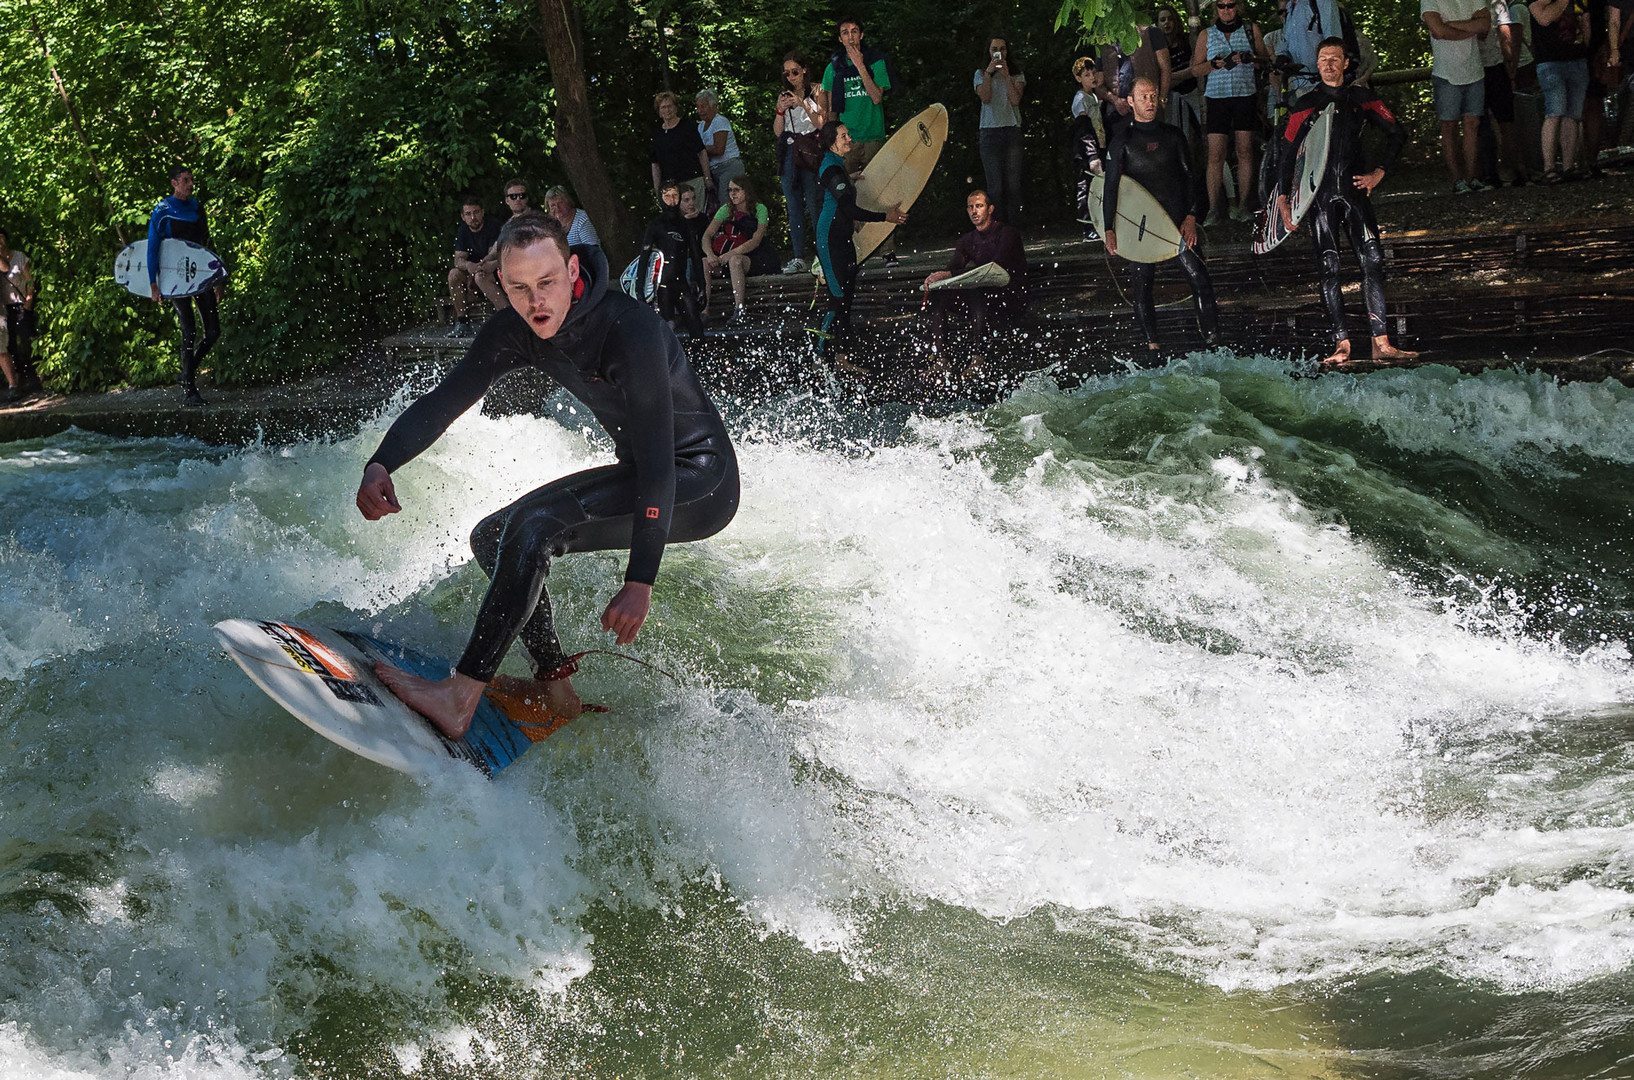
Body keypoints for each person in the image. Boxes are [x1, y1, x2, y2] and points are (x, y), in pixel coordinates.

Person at [355, 211, 739, 736]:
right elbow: (447, 399)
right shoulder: (516, 330)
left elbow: (656, 465)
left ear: (573, 269)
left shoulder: (631, 331)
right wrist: (382, 461)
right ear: (502, 284)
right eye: (518, 288)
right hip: (647, 473)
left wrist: (640, 578)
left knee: (535, 527)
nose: (536, 302)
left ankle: (459, 698)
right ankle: (555, 684)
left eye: (546, 283)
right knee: (494, 537)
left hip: (697, 482)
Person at [1278, 38, 1418, 366]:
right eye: (1323, 59)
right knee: (1329, 268)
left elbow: (1397, 133)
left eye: (1334, 59)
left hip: (1355, 191)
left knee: (1373, 261)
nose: (1328, 64)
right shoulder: (1305, 103)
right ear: (1317, 64)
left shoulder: (1362, 97)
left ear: (1344, 64)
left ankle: (1380, 342)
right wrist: (1284, 199)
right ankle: (1341, 344)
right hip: (1320, 197)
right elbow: (1286, 152)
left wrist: (1379, 173)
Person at [1102, 77, 1219, 354]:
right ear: (1130, 102)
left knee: (1200, 277)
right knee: (1142, 287)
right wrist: (1109, 228)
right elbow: (1110, 189)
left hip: (1177, 223)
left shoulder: (1173, 135)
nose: (1149, 101)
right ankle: (1152, 344)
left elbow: (1192, 178)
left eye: (1153, 96)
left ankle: (1213, 338)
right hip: (1141, 227)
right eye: (1143, 97)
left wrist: (1191, 217)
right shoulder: (1122, 142)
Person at [812, 120, 906, 361]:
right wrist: (886, 216)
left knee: (847, 296)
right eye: (844, 136)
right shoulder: (832, 169)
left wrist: (849, 179)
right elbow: (848, 208)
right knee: (837, 297)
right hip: (829, 240)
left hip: (843, 238)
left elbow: (840, 197)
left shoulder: (838, 167)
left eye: (848, 134)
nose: (849, 139)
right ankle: (819, 358)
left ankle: (842, 357)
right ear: (832, 142)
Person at [820, 15, 899, 266]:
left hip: (873, 135)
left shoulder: (875, 60)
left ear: (861, 36)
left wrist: (860, 66)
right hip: (845, 142)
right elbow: (832, 109)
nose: (850, 36)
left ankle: (888, 250)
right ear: (840, 37)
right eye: (845, 32)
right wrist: (830, 144)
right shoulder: (833, 67)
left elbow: (876, 97)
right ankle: (855, 250)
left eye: (855, 31)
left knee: (880, 193)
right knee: (846, 196)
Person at [920, 190, 1027, 373]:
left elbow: (995, 266)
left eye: (979, 206)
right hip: (981, 297)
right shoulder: (967, 240)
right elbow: (954, 267)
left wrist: (950, 274)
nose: (974, 211)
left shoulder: (1008, 233)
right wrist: (939, 276)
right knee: (938, 296)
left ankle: (978, 358)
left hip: (1009, 295)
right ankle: (942, 359)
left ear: (990, 209)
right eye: (970, 207)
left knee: (978, 291)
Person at [147, 166, 221, 407]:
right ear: (174, 183)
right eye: (185, 180)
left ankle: (187, 372)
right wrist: (153, 284)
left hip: (199, 276)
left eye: (191, 180)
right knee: (188, 330)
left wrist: (217, 277)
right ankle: (190, 390)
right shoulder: (163, 210)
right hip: (174, 279)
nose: (190, 184)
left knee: (213, 332)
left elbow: (206, 243)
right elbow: (152, 248)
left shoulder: (197, 207)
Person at [1191, 0, 1270, 223]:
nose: (1226, 10)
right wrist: (1213, 65)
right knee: (1215, 154)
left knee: (1245, 150)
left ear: (1238, 7)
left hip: (1245, 95)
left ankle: (1244, 206)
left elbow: (1266, 60)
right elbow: (1195, 68)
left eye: (1230, 5)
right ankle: (1214, 209)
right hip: (1217, 98)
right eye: (1221, 5)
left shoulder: (1250, 29)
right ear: (1215, 8)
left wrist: (1250, 58)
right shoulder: (1206, 34)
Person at [1424, 0, 1494, 193]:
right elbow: (1438, 31)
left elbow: (1484, 25)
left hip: (1474, 71)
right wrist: (1470, 27)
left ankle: (1472, 177)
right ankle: (1457, 180)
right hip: (1446, 73)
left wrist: (1450, 25)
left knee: (1473, 124)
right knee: (1449, 126)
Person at [702, 176, 781, 326]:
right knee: (704, 262)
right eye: (730, 190)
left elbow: (756, 240)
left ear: (746, 191)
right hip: (728, 257)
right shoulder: (726, 209)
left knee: (735, 260)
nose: (733, 194)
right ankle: (704, 311)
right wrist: (710, 254)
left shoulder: (760, 209)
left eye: (737, 190)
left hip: (756, 257)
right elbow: (707, 235)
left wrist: (732, 253)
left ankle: (740, 310)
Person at [1529, 0, 1593, 180]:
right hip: (1550, 62)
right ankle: (1549, 168)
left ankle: (1568, 167)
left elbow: (1586, 23)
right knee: (1555, 112)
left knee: (1573, 115)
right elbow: (1544, 18)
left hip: (1578, 60)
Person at [774, 52, 826, 274]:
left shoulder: (817, 90)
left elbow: (822, 122)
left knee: (816, 205)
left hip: (811, 152)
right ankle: (798, 256)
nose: (791, 77)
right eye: (787, 73)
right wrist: (780, 109)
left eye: (795, 72)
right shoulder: (784, 94)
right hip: (790, 152)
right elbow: (778, 131)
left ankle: (822, 254)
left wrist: (803, 103)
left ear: (804, 69)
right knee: (793, 206)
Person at [640, 182, 706, 340]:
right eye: (667, 196)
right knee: (666, 331)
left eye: (675, 195)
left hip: (681, 283)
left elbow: (696, 257)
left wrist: (702, 287)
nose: (671, 200)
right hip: (661, 286)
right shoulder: (656, 224)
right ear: (661, 198)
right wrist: (640, 290)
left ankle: (698, 360)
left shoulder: (685, 225)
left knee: (697, 328)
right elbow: (644, 256)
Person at [975, 38, 1027, 225]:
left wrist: (1006, 76)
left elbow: (1015, 101)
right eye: (995, 49)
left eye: (1003, 49)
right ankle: (996, 229)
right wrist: (989, 73)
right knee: (995, 187)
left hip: (1011, 131)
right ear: (988, 52)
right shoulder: (980, 74)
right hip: (989, 133)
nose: (999, 52)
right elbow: (985, 98)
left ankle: (1013, 228)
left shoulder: (1016, 74)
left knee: (1012, 185)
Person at [1480, 0, 1529, 186]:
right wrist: (1510, 67)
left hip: (1478, 67)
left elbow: (1505, 33)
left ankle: (1491, 173)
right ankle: (1515, 170)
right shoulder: (1496, 3)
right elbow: (1505, 34)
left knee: (1483, 122)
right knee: (1505, 122)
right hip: (1488, 67)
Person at [448, 194, 505, 338]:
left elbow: (492, 256)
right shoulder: (463, 231)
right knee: (454, 274)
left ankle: (507, 317)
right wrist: (468, 265)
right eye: (468, 214)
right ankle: (463, 322)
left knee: (481, 276)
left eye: (476, 212)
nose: (473, 217)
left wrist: (475, 271)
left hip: (495, 271)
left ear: (482, 212)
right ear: (463, 216)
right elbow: (458, 260)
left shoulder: (493, 225)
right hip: (474, 273)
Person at [1070, 57, 1109, 241]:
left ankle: (1100, 225)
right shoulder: (1080, 99)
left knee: (1099, 188)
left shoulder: (1093, 97)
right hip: (1087, 153)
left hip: (1099, 146)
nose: (1092, 77)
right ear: (1079, 78)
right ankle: (1087, 228)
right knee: (1085, 188)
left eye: (1093, 73)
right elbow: (1083, 130)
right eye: (1087, 75)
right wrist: (1092, 155)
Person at [0, 228, 41, 404]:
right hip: (5, 308)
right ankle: (20, 381)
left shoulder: (19, 256)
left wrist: (28, 304)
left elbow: (31, 280)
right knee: (11, 347)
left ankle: (36, 378)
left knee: (27, 342)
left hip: (21, 305)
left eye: (1, 239)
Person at [651, 91, 712, 207]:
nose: (667, 110)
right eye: (663, 107)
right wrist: (657, 189)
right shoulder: (657, 134)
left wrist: (707, 178)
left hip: (693, 180)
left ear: (675, 108)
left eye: (670, 106)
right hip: (671, 186)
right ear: (659, 111)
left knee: (696, 216)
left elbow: (701, 152)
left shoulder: (687, 126)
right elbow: (655, 164)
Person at [1158, 5, 1205, 149]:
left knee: (1204, 131)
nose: (1167, 23)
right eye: (1162, 20)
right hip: (1171, 97)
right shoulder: (1157, 49)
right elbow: (1164, 83)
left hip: (1195, 93)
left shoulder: (1188, 41)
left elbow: (1196, 70)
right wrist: (1186, 73)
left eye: (1170, 19)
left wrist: (1169, 75)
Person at [1277, 0, 1346, 95]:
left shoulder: (1323, 2)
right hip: (1299, 83)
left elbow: (1335, 43)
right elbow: (1287, 41)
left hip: (1323, 84)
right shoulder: (1290, 8)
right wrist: (1282, 56)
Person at [696, 89, 746, 213]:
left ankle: (735, 229)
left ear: (714, 106)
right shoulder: (700, 126)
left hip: (729, 167)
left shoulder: (720, 121)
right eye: (698, 107)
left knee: (727, 202)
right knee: (715, 205)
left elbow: (719, 149)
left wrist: (700, 149)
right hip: (713, 171)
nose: (699, 111)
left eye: (703, 106)